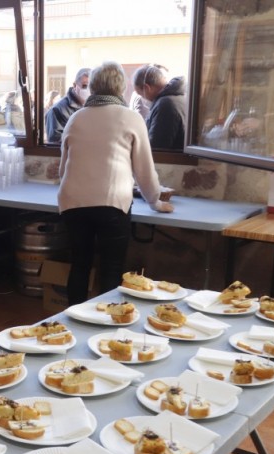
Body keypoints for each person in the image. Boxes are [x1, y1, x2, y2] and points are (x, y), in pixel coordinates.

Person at [58, 61, 174, 305]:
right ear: (121, 88)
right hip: (111, 203)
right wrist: (155, 201)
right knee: (111, 268)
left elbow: (62, 169)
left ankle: (72, 322)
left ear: (95, 87)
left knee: (80, 264)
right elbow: (144, 169)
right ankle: (106, 325)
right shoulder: (131, 118)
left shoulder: (76, 118)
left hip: (72, 202)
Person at [132, 64, 187, 149]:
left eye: (141, 94)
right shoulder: (178, 97)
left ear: (146, 88)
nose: (143, 99)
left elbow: (156, 147)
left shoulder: (165, 105)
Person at [45, 68, 90, 143]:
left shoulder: (95, 108)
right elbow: (56, 143)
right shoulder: (57, 110)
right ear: (75, 85)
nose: (88, 90)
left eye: (91, 87)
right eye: (85, 86)